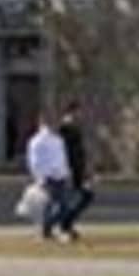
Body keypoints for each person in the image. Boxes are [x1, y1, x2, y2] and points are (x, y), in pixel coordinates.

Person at [24, 114, 80, 245]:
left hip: (58, 175)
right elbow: (35, 161)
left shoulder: (57, 140)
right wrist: (40, 176)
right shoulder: (38, 141)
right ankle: (46, 230)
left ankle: (48, 229)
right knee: (52, 204)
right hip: (49, 176)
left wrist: (66, 172)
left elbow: (61, 158)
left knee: (61, 205)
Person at [56, 99, 96, 239]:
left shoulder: (74, 127)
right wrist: (65, 170)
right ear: (72, 111)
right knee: (74, 198)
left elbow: (79, 151)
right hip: (70, 169)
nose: (80, 114)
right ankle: (62, 226)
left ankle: (66, 224)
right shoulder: (64, 129)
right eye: (78, 111)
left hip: (78, 168)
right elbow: (64, 151)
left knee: (85, 196)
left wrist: (86, 169)